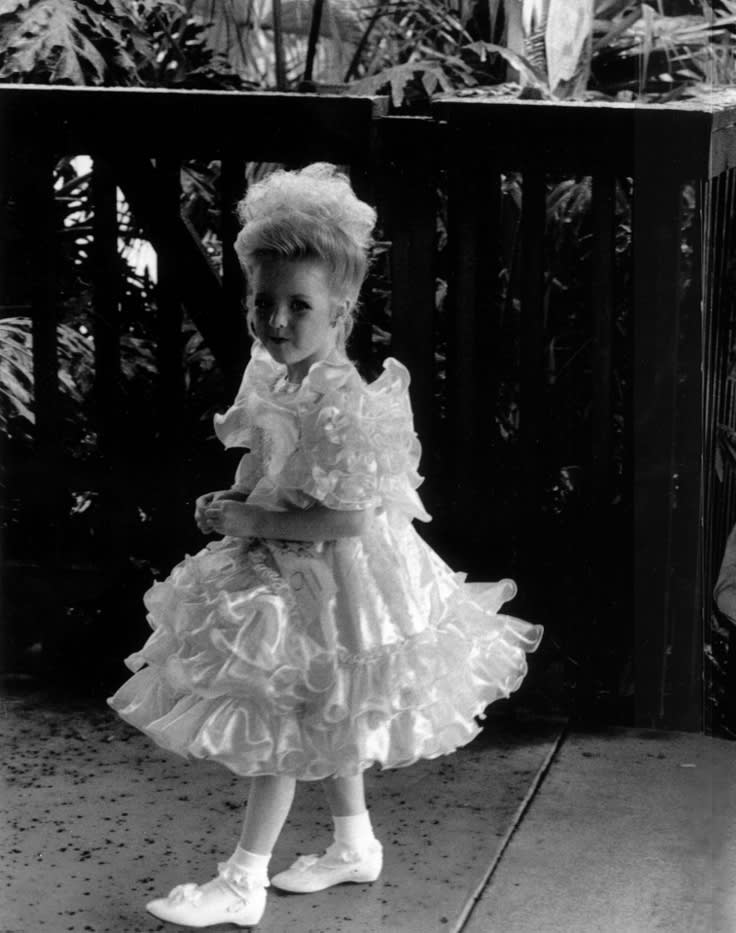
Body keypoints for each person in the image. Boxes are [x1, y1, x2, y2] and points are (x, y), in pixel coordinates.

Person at [108, 163, 543, 928]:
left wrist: (248, 524)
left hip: (338, 577)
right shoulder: (276, 375)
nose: (275, 321)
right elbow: (269, 463)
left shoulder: (345, 403)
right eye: (263, 302)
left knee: (288, 717)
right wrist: (237, 497)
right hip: (284, 560)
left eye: (297, 306)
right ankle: (354, 842)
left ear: (339, 311)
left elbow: (342, 520)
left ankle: (243, 880)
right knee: (326, 711)